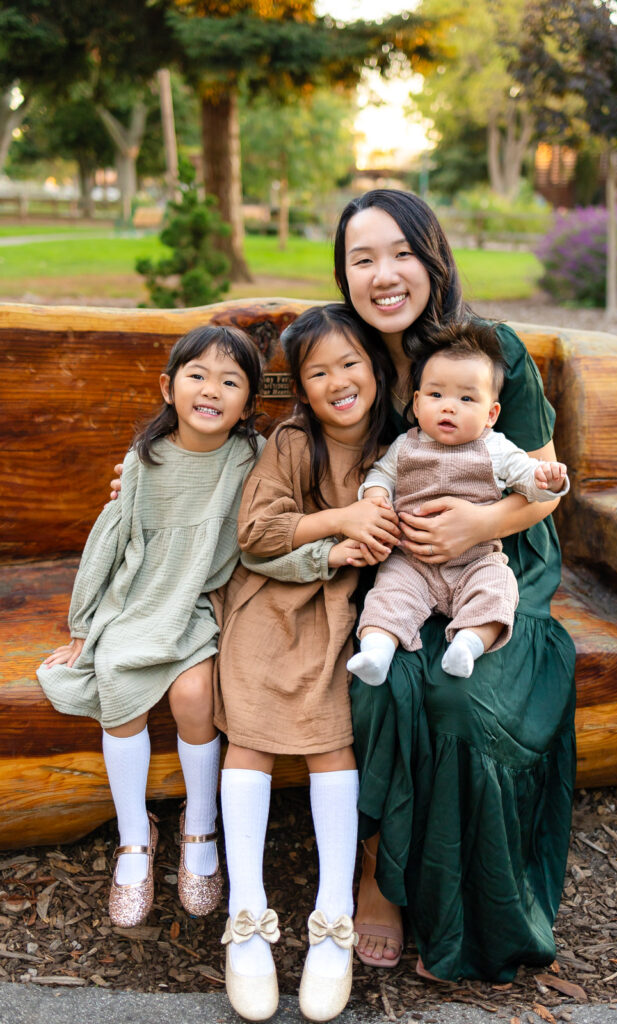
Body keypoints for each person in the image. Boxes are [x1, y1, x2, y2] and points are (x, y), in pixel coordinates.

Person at [332, 190, 576, 983]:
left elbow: (540, 485)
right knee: (383, 683)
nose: (384, 274)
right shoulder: (349, 358)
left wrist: (475, 527)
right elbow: (267, 432)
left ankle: (465, 907)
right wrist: (157, 458)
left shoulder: (489, 346)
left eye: (400, 252)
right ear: (343, 276)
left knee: (458, 701)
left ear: (432, 257)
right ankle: (378, 875)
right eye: (361, 259)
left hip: (501, 562)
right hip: (394, 570)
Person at [38, 325, 263, 930]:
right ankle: (135, 835)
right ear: (168, 387)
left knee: (195, 694)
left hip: (196, 605)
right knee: (115, 683)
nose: (211, 389)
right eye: (197, 375)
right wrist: (84, 626)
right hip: (138, 600)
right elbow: (107, 542)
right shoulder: (145, 461)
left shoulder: (250, 457)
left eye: (230, 380)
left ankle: (200, 822)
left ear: (247, 402)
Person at [211, 304, 400, 1023]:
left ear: (376, 371)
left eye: (349, 364)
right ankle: (248, 912)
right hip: (270, 600)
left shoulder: (399, 444)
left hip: (343, 614)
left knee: (331, 740)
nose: (336, 382)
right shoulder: (292, 441)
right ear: (300, 388)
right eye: (317, 372)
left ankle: (332, 916)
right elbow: (256, 535)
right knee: (251, 734)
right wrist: (337, 526)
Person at [348, 320, 569, 687]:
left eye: (466, 399)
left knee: (498, 589)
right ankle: (376, 651)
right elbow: (381, 475)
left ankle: (468, 644)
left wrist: (548, 480)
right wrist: (376, 495)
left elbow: (529, 479)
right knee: (388, 595)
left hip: (475, 559)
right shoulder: (406, 446)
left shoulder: (495, 448)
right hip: (412, 560)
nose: (449, 408)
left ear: (491, 415)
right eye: (436, 396)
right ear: (417, 404)